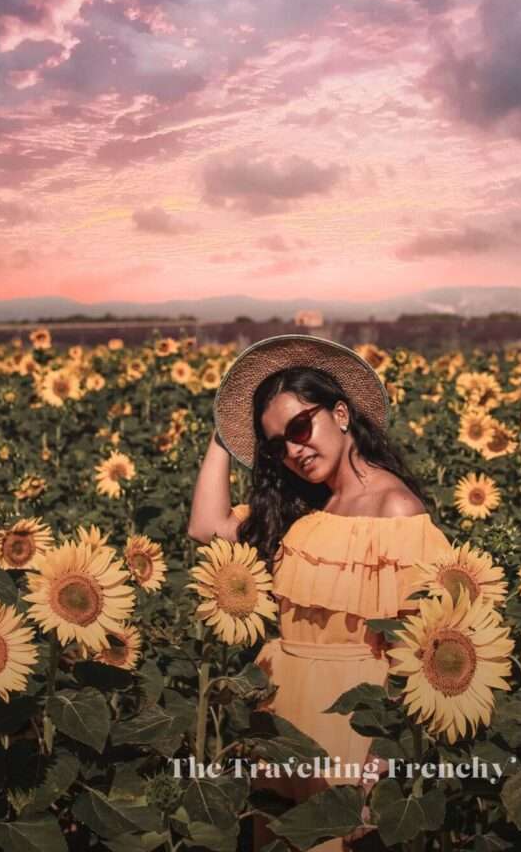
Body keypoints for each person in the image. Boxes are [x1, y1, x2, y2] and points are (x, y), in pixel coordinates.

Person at [187, 335, 453, 852]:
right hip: (285, 712)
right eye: (275, 445)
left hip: (350, 719)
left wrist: (386, 751)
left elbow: (422, 644)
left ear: (342, 414)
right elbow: (205, 527)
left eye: (300, 427)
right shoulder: (304, 511)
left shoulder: (397, 511)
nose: (293, 449)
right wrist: (226, 431)